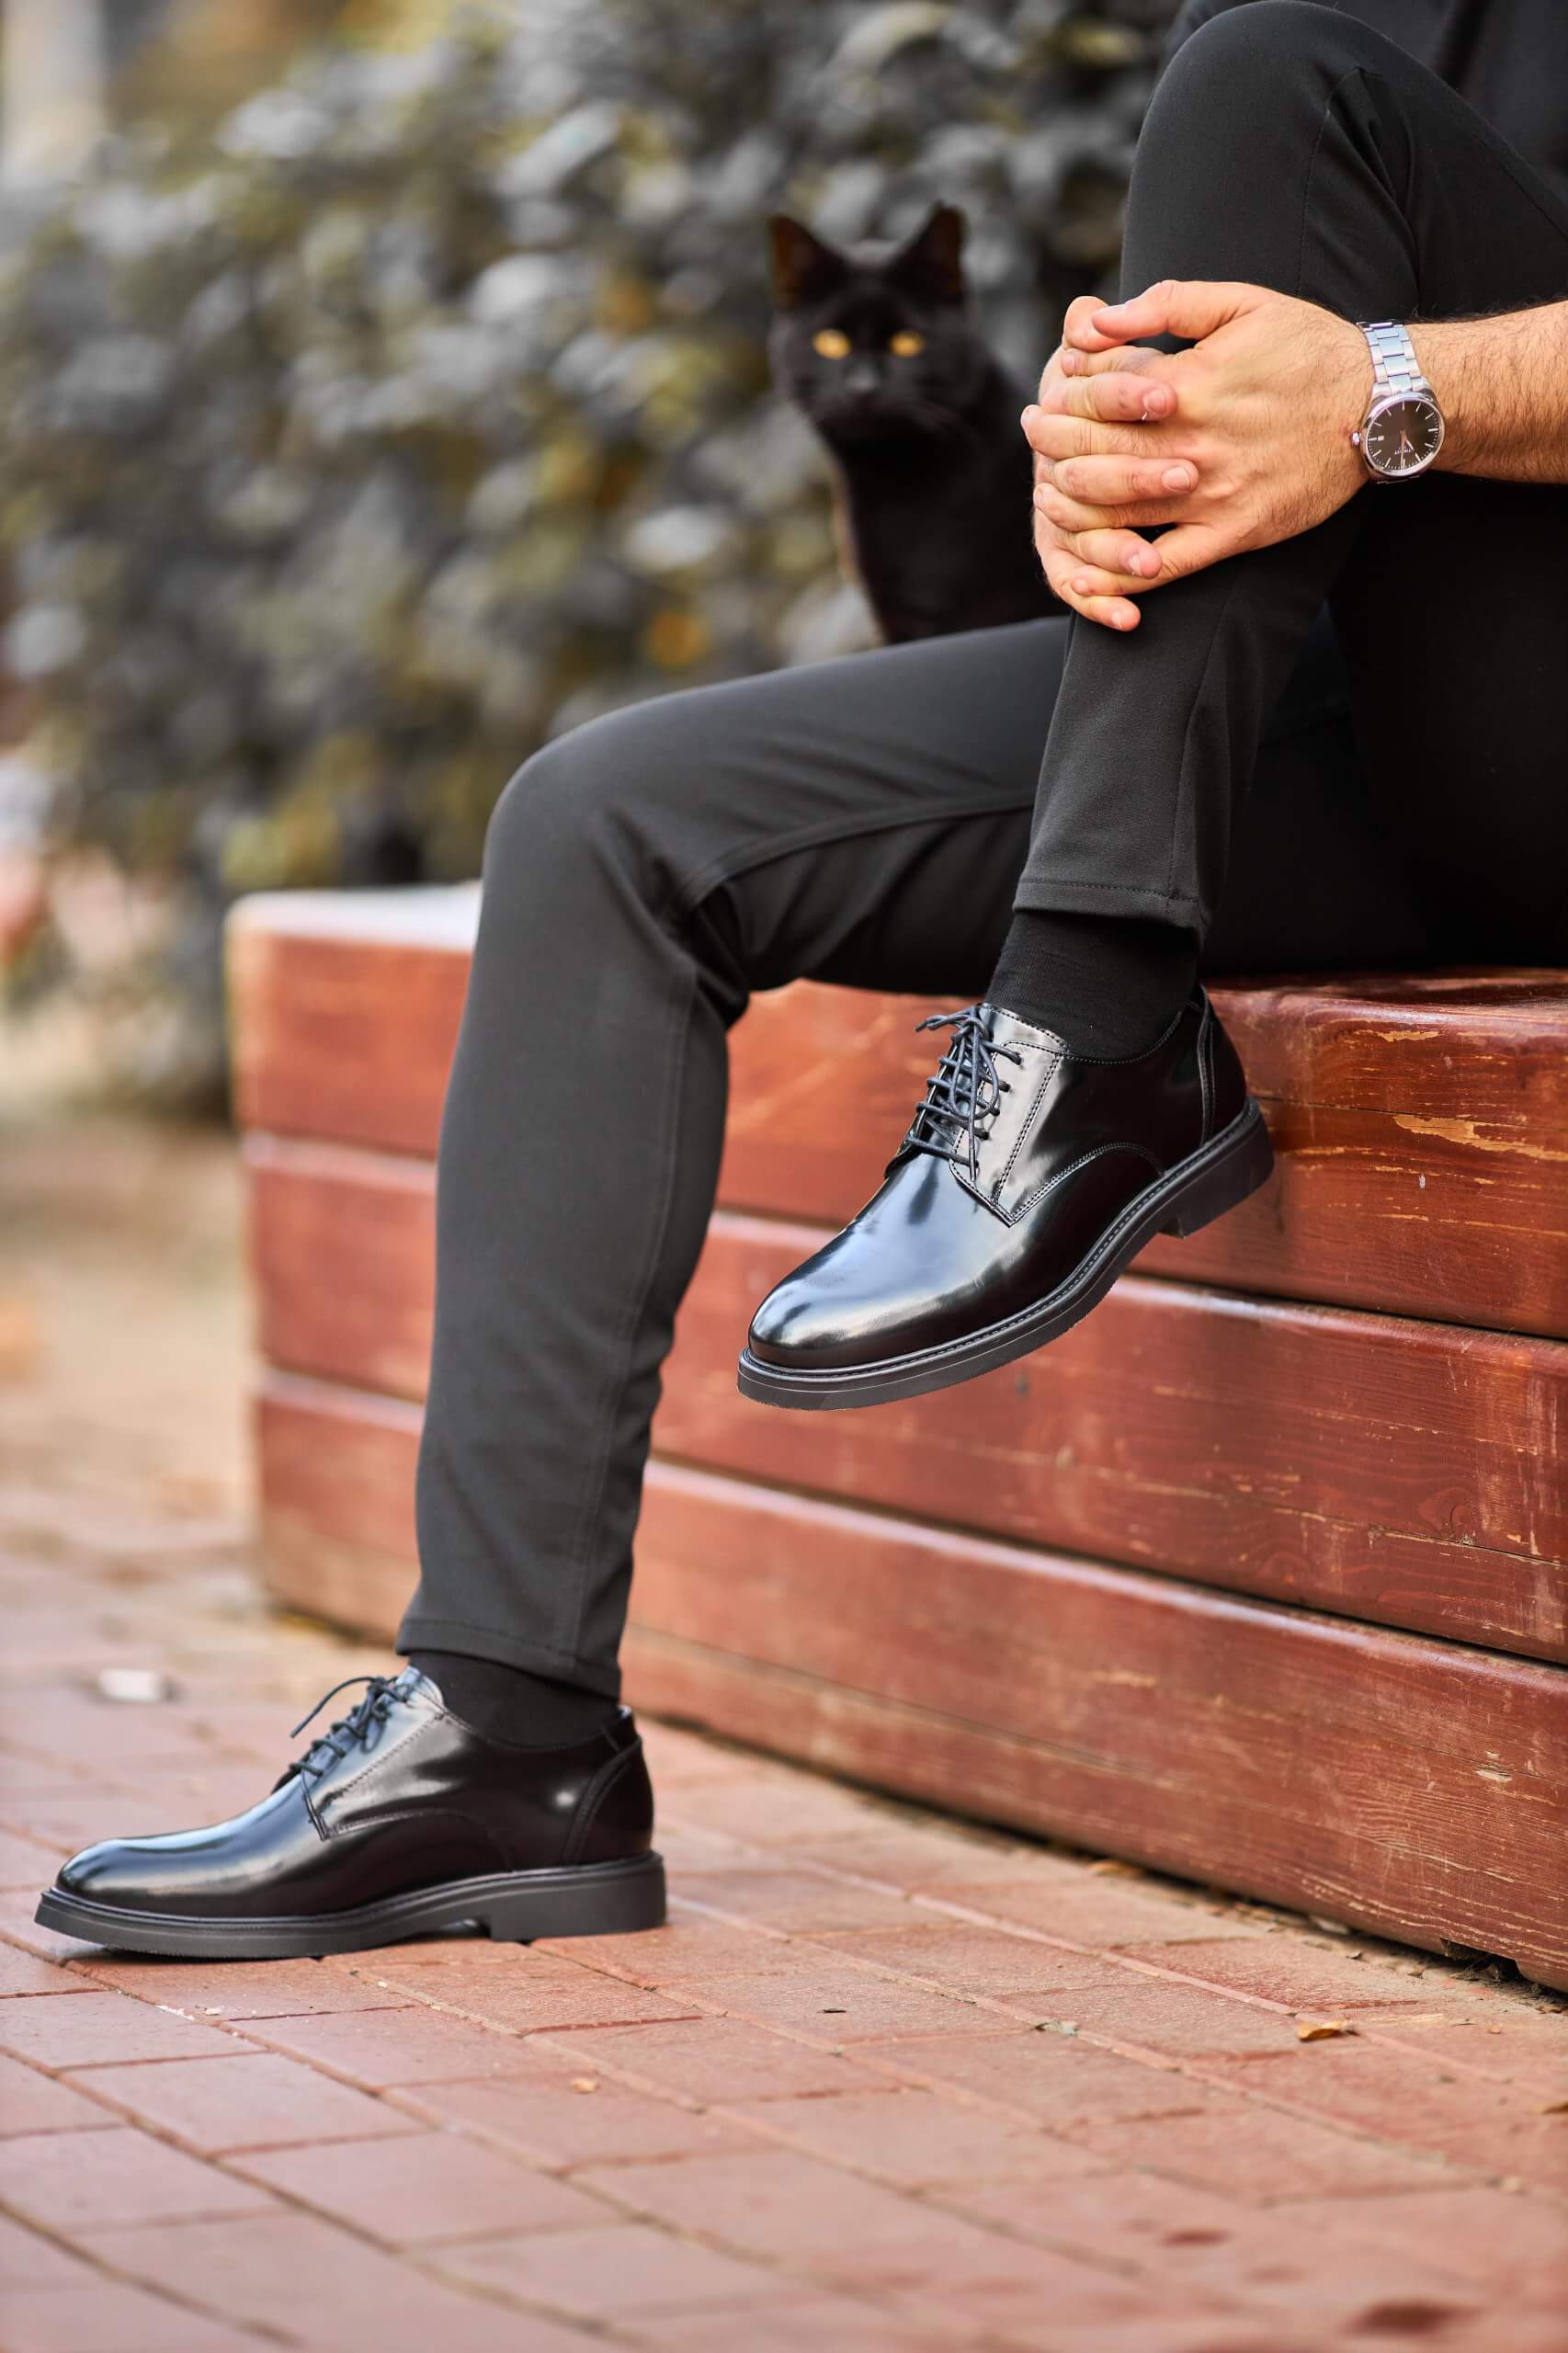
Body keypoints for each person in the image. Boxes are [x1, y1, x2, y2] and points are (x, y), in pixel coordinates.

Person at [40, 0, 1568, 1958]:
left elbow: (1351, 371)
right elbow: (1231, 356)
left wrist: (1383, 388)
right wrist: (1112, 459)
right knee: (606, 824)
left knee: (1274, 76)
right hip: (1367, 704)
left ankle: (1090, 1011)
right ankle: (506, 1736)